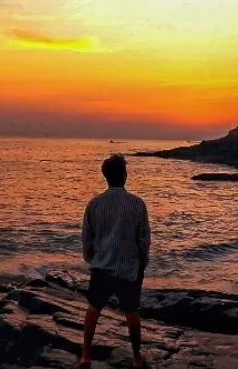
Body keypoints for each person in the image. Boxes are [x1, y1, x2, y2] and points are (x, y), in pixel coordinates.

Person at [79, 154, 151, 368]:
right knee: (131, 311)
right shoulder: (137, 204)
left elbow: (86, 237)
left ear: (105, 177)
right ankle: (137, 358)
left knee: (93, 308)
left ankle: (85, 355)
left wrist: (91, 258)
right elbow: (144, 239)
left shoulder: (94, 203)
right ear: (125, 175)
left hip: (102, 266)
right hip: (129, 268)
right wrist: (142, 263)